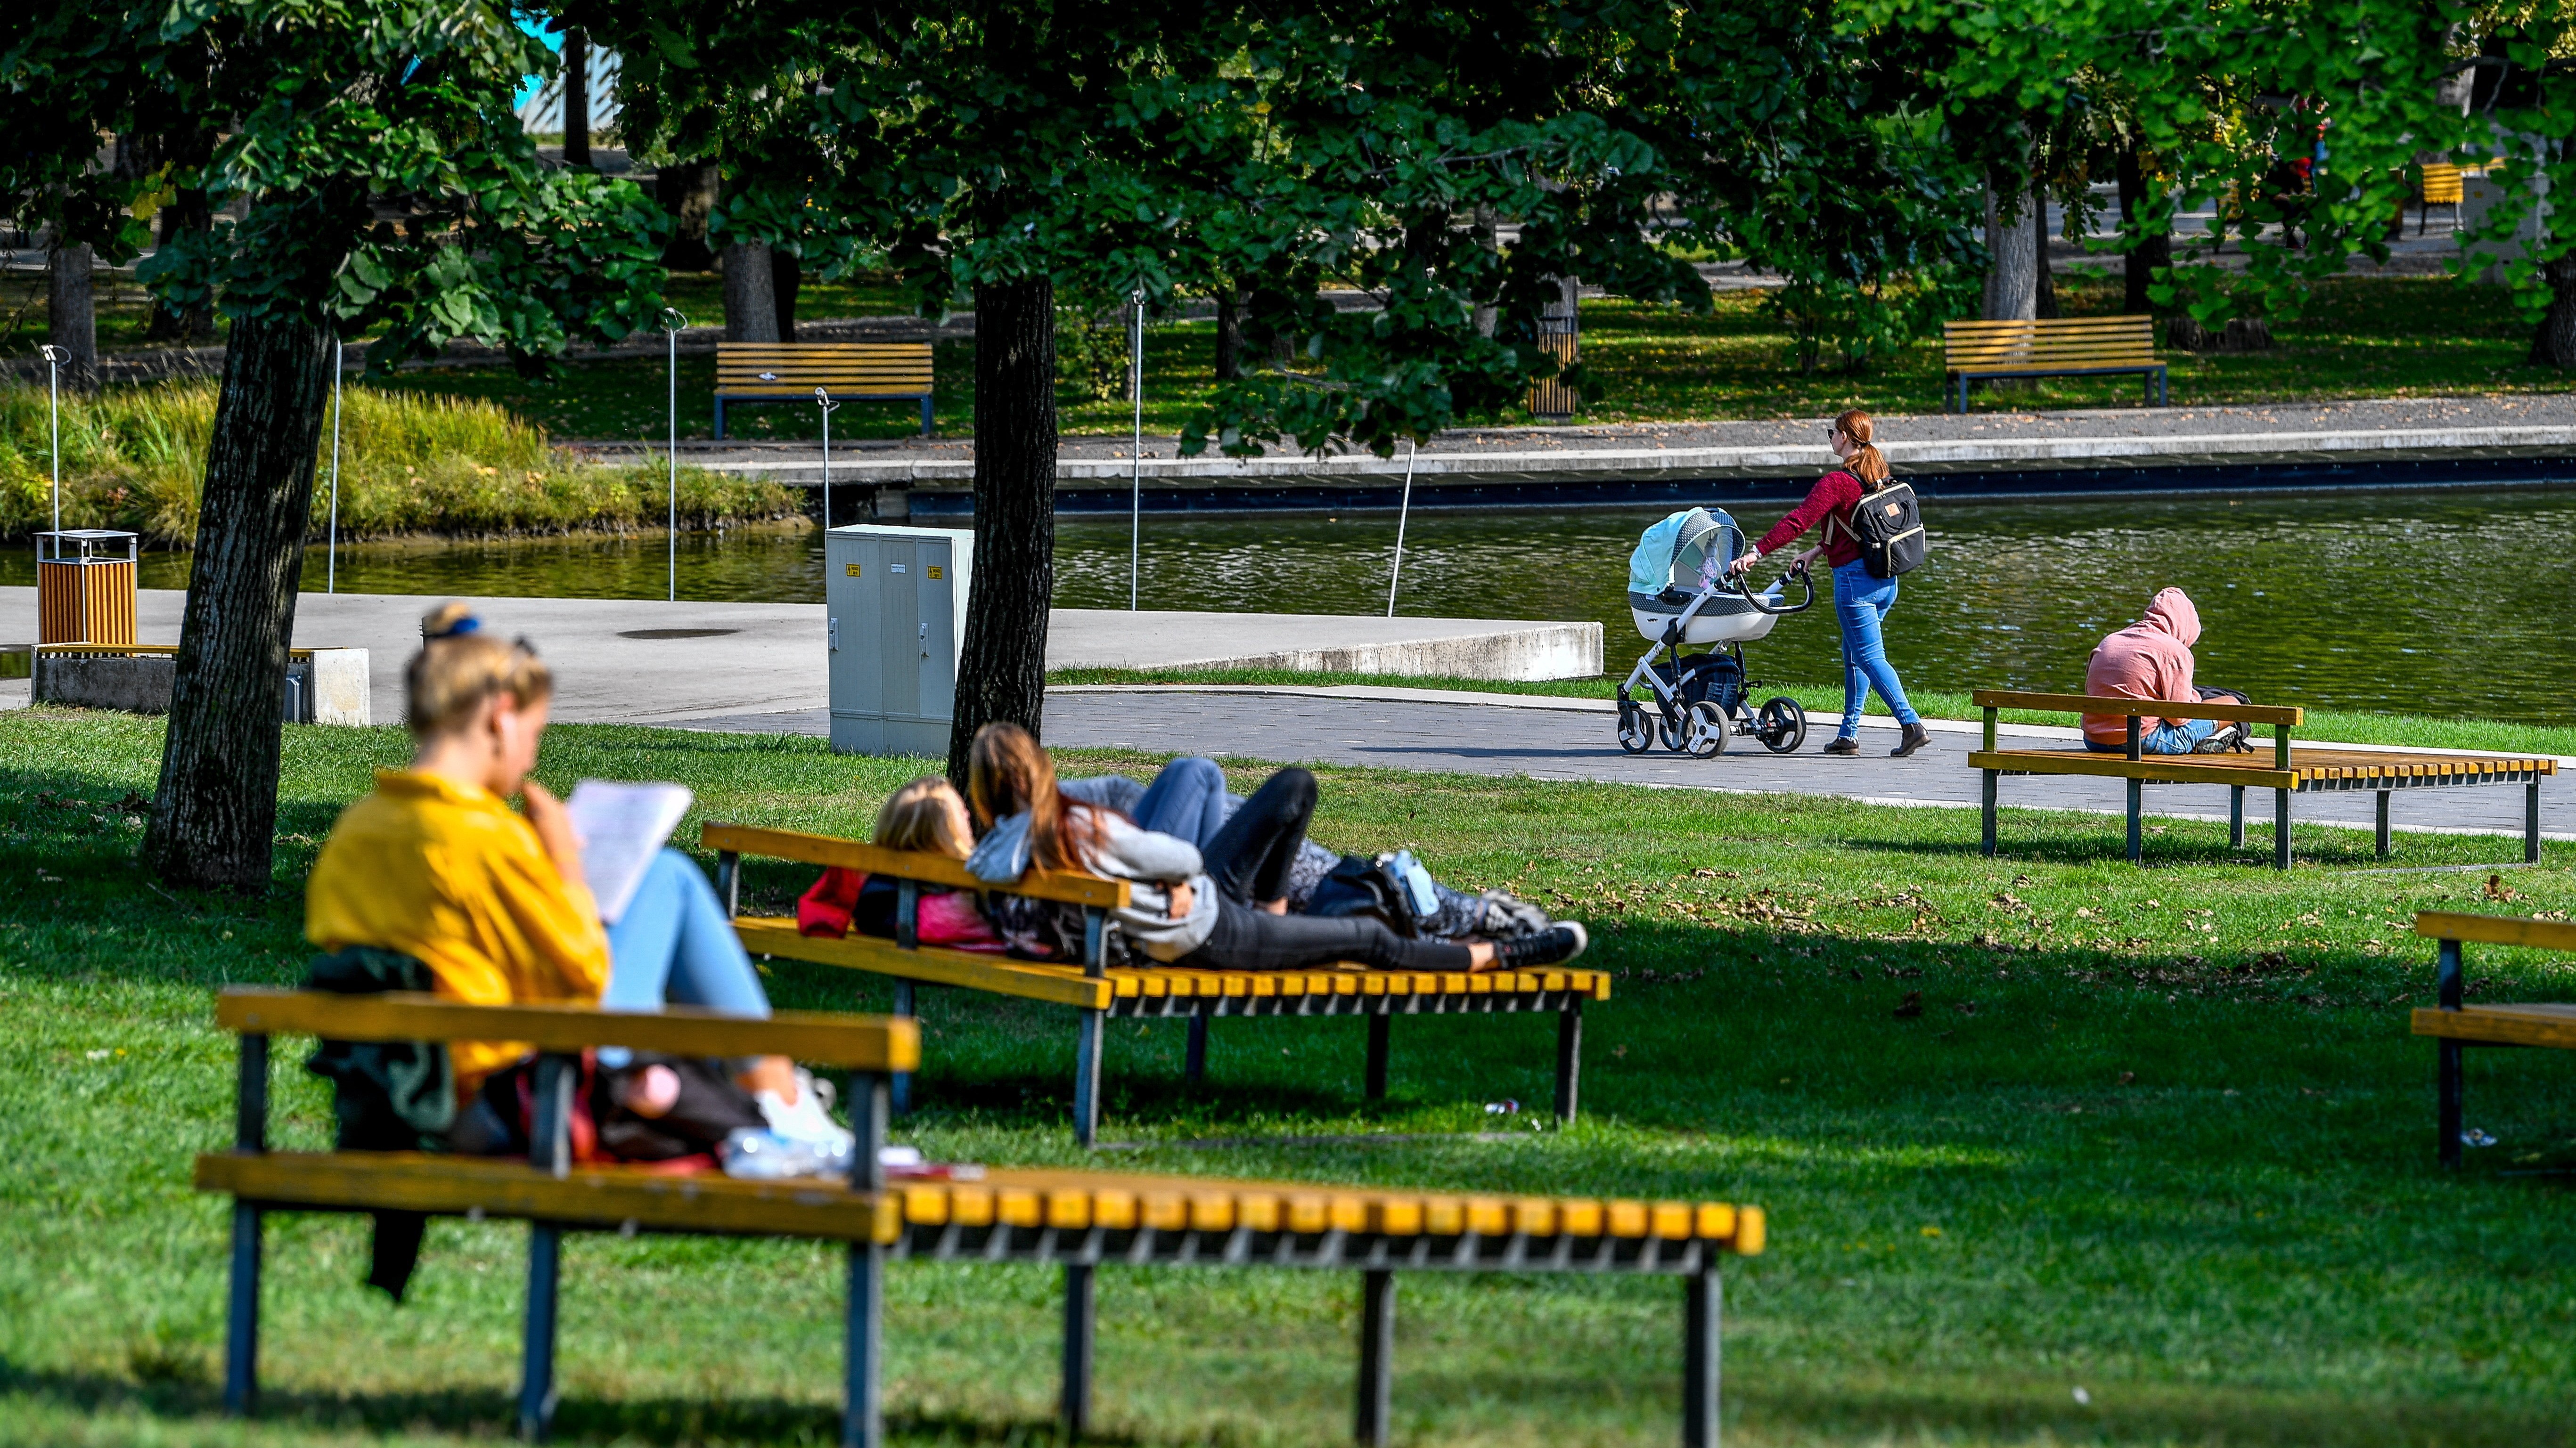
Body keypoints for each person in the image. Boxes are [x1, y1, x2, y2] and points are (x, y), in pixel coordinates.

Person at [304, 602, 850, 1160]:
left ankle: (779, 1098)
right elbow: (584, 974)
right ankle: (783, 1102)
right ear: (501, 716)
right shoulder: (482, 836)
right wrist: (564, 861)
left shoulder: (355, 831)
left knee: (664, 881)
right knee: (669, 877)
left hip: (390, 1089)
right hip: (511, 1096)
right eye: (536, 731)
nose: (533, 754)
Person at [962, 723, 1586, 973]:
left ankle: (1276, 909)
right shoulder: (1077, 829)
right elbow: (1178, 859)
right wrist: (1176, 876)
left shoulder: (993, 853)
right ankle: (1496, 954)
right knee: (1367, 943)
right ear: (1041, 773)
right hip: (1204, 931)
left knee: (1283, 786)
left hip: (1184, 917)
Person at [1061, 757, 1553, 940]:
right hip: (1195, 901)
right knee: (1348, 884)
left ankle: (1474, 914)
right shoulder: (1024, 834)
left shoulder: (1020, 829)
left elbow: (1119, 794)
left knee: (1334, 871)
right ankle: (1479, 916)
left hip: (1188, 877)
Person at [1729, 409, 1931, 758]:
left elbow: (1797, 521)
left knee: (1868, 658)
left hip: (1856, 585)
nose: (1830, 438)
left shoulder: (1836, 482)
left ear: (1847, 438)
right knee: (1854, 656)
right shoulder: (1877, 473)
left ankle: (1910, 725)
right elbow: (1861, 530)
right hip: (1886, 581)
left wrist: (1756, 553)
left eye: (1832, 433)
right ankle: (1848, 735)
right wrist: (1817, 551)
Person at [797, 776, 1005, 951]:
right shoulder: (966, 901)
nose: (968, 815)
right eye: (962, 811)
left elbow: (819, 907)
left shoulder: (867, 885)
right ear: (948, 835)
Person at [2082, 587, 2231, 754]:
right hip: (2142, 741)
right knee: (2231, 705)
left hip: (2094, 740)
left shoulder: (2109, 641)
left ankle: (2206, 739)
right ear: (2187, 622)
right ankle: (2210, 737)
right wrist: (2195, 699)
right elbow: (2178, 718)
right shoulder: (2175, 651)